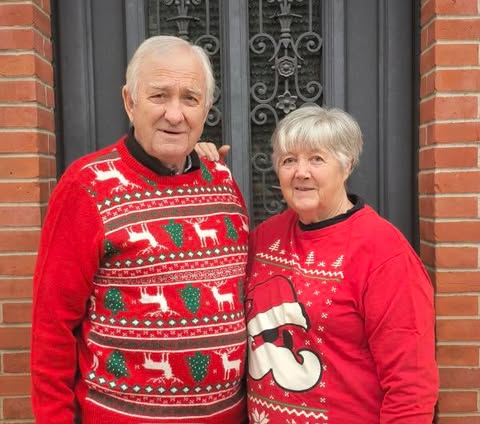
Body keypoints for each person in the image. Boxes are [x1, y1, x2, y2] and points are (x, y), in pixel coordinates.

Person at [31, 35, 249, 423]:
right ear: (129, 102)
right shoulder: (86, 186)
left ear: (207, 109)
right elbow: (52, 327)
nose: (175, 114)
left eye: (190, 99)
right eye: (159, 96)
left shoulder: (223, 182)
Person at [197, 105, 439, 423]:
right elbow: (207, 276)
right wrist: (195, 173)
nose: (301, 172)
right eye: (289, 160)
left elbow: (412, 387)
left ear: (347, 164)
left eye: (317, 159)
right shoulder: (264, 239)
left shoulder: (384, 254)